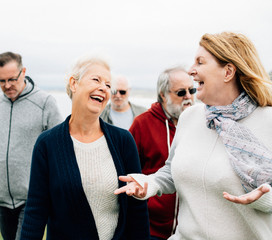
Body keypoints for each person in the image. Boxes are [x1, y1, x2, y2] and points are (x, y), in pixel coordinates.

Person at [115, 32, 272, 239]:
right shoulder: (190, 117)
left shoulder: (267, 121)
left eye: (200, 62)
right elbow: (171, 171)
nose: (191, 70)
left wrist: (265, 199)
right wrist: (150, 184)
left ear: (228, 72)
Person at [20, 55, 150, 239]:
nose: (103, 88)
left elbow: (137, 211)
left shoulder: (123, 141)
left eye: (107, 84)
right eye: (96, 80)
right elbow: (35, 212)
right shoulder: (47, 144)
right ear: (74, 84)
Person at [0, 52, 62, 240]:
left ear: (23, 72)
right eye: (1, 81)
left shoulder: (45, 102)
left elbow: (58, 147)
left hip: (32, 198)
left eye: (12, 79)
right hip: (0, 199)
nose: (7, 86)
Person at [129, 67, 195, 240]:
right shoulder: (142, 124)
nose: (188, 96)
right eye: (181, 92)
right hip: (150, 229)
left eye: (192, 90)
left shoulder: (200, 124)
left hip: (189, 230)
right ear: (163, 95)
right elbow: (129, 173)